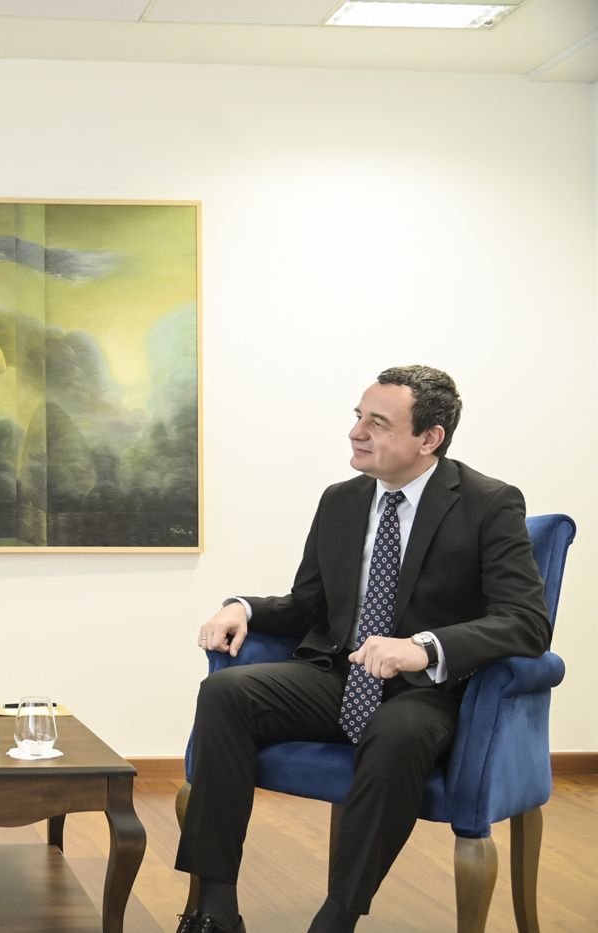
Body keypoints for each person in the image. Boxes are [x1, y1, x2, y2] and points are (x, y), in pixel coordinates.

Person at [174, 365, 550, 933]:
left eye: (378, 423)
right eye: (357, 416)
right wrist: (242, 608)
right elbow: (309, 605)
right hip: (340, 676)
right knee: (226, 692)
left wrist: (425, 647)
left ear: (429, 438)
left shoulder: (489, 503)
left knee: (398, 733)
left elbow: (526, 622)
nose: (356, 432)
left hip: (429, 692)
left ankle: (337, 918)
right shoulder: (341, 500)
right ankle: (214, 910)